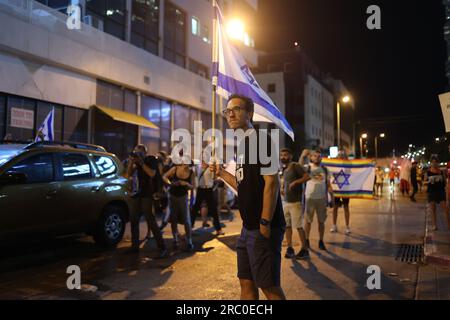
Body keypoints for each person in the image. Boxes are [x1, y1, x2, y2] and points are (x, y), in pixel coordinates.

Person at [210, 94, 286, 300]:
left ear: (250, 113)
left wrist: (264, 222)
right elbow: (243, 187)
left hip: (264, 226)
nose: (230, 114)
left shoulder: (263, 140)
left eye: (236, 109)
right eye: (227, 111)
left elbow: (272, 183)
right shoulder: (242, 147)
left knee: (269, 287)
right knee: (246, 282)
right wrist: (222, 174)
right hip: (247, 228)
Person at [125, 145, 167, 258]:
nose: (137, 154)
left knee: (150, 220)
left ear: (144, 152)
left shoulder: (150, 160)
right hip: (136, 194)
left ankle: (162, 246)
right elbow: (128, 174)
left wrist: (142, 162)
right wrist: (131, 162)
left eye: (139, 152)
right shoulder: (136, 163)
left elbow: (152, 173)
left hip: (147, 194)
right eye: (135, 152)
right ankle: (134, 247)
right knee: (134, 220)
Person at [299, 148, 334, 251]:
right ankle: (306, 240)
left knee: (321, 222)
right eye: (315, 156)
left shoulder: (325, 170)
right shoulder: (308, 168)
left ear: (321, 158)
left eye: (319, 156)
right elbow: (299, 166)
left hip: (322, 199)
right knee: (308, 221)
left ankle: (321, 241)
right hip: (309, 198)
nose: (317, 158)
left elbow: (328, 185)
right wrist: (302, 155)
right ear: (311, 157)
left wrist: (332, 198)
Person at [279, 148, 309, 259]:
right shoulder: (284, 168)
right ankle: (290, 248)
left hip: (295, 202)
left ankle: (305, 249)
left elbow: (307, 177)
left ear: (290, 156)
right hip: (285, 202)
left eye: (285, 155)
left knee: (299, 227)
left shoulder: (295, 166)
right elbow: (284, 182)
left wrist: (296, 182)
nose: (283, 157)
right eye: (281, 155)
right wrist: (282, 188)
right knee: (287, 226)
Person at [164, 156, 196, 251]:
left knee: (187, 220)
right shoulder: (175, 169)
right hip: (173, 196)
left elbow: (193, 186)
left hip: (183, 197)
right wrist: (171, 183)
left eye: (188, 163)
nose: (186, 165)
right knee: (173, 219)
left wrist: (185, 184)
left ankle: (189, 241)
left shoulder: (191, 172)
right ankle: (175, 239)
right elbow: (165, 177)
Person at [191, 160, 224, 236]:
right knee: (195, 209)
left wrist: (217, 169)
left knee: (213, 210)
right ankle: (190, 228)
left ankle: (218, 229)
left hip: (209, 190)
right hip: (200, 189)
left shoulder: (211, 166)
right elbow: (194, 176)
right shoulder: (197, 166)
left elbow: (215, 177)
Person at [425, 155, 450, 231]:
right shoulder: (428, 172)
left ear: (438, 163)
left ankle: (449, 225)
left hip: (441, 192)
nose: (434, 164)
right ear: (431, 163)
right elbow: (425, 182)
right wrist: (428, 180)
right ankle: (434, 225)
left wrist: (447, 194)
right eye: (433, 162)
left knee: (446, 209)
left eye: (436, 162)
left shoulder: (442, 172)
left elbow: (445, 183)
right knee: (433, 209)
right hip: (432, 192)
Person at [330, 151, 351, 235]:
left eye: (343, 156)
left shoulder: (349, 165)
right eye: (339, 155)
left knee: (346, 207)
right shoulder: (334, 165)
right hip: (336, 188)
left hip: (345, 188)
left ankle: (347, 226)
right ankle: (334, 225)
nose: (341, 157)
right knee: (335, 207)